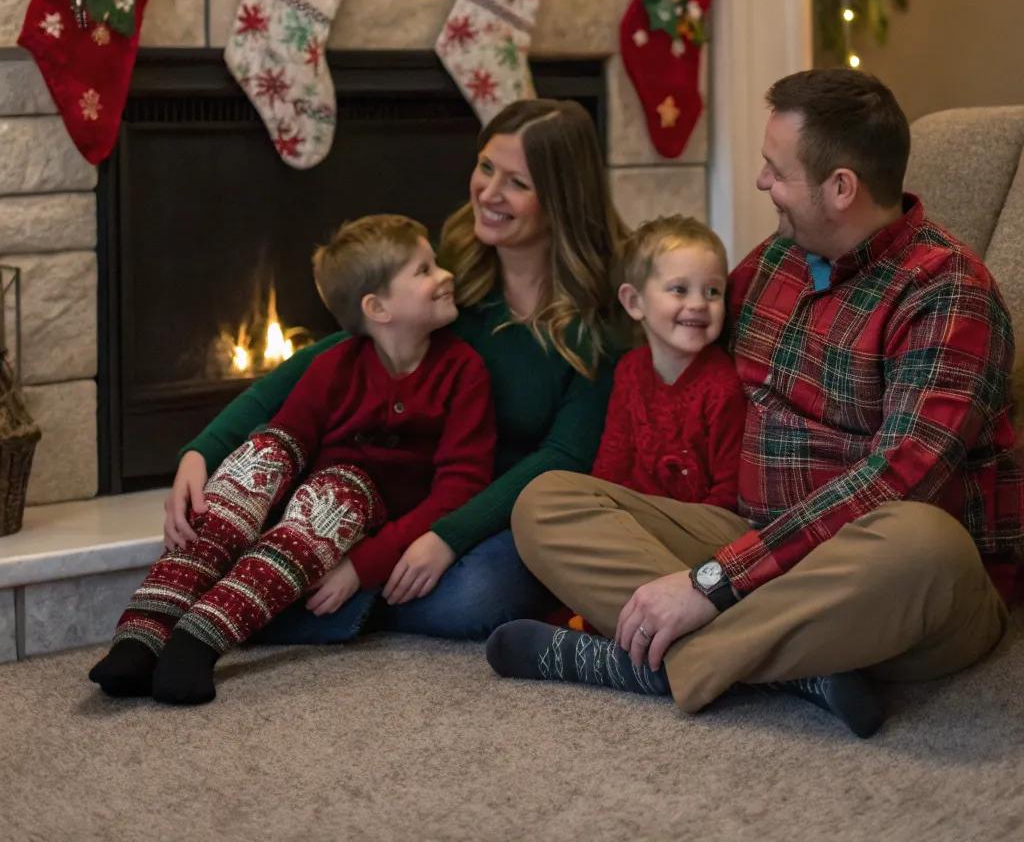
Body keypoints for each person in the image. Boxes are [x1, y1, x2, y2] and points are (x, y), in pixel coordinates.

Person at [488, 70, 1024, 738]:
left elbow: (895, 482)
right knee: (546, 503)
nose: (762, 182)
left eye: (777, 169)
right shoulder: (776, 261)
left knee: (924, 545)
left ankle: (646, 658)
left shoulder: (947, 294)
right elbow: (681, 347)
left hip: (880, 575)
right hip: (754, 542)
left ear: (840, 188)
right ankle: (789, 667)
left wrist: (711, 584)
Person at [160, 98, 624, 646]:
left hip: (502, 511)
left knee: (479, 596)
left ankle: (295, 600)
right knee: (291, 478)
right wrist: (205, 448)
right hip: (406, 490)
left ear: (561, 199)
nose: (488, 193)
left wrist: (445, 538)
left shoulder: (600, 316)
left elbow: (562, 458)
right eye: (485, 167)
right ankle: (297, 592)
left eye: (516, 183)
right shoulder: (453, 265)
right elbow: (336, 353)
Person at [89, 214, 495, 703]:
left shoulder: (463, 371)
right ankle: (143, 631)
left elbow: (460, 487)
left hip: (362, 513)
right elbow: (287, 435)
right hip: (305, 508)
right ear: (377, 308)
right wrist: (219, 466)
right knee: (263, 454)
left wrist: (362, 567)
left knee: (339, 493)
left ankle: (201, 637)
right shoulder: (334, 365)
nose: (447, 275)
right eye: (425, 270)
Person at [591, 214, 746, 507]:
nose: (698, 304)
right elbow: (612, 462)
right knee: (547, 494)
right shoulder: (630, 370)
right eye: (679, 289)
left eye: (712, 291)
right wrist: (599, 505)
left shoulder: (723, 387)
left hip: (700, 521)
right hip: (631, 514)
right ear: (634, 302)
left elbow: (729, 494)